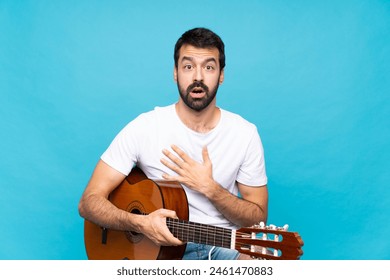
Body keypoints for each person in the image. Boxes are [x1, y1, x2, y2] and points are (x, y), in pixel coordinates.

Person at [78, 27, 268, 260]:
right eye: (188, 66)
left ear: (221, 75)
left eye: (208, 67)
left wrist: (210, 188)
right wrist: (139, 223)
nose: (198, 77)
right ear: (175, 73)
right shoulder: (144, 127)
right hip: (154, 252)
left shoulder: (244, 134)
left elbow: (257, 218)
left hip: (222, 248)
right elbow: (89, 202)